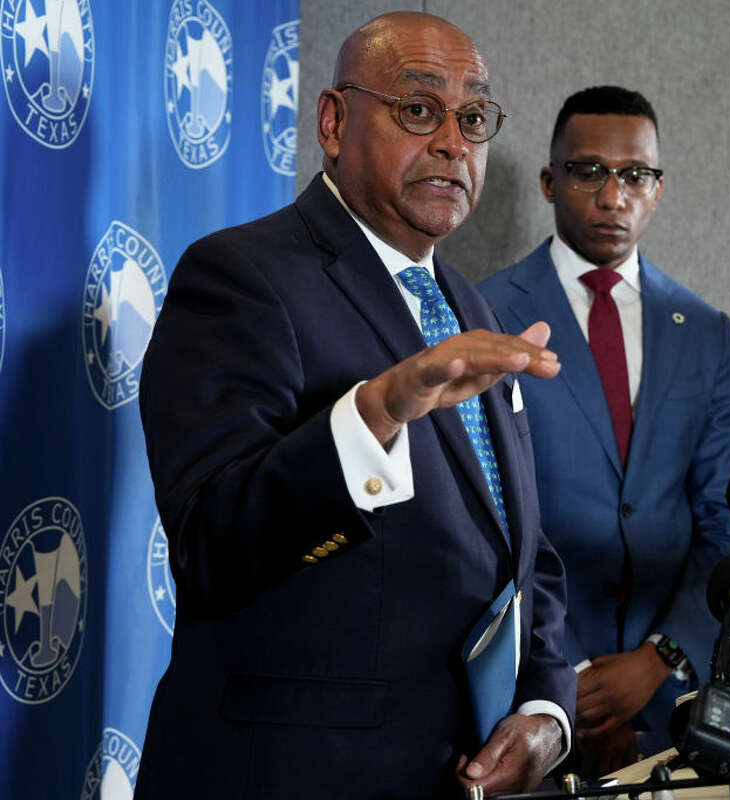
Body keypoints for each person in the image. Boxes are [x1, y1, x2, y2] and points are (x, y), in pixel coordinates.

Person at [134, 13, 575, 798]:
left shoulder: (476, 308)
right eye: (418, 109)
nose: (452, 141)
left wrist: (545, 706)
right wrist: (375, 412)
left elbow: (524, 553)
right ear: (334, 122)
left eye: (473, 117)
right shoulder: (241, 275)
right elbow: (210, 545)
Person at [478, 86, 730, 775]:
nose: (613, 196)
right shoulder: (485, 314)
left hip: (671, 703)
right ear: (550, 181)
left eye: (635, 175)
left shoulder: (706, 332)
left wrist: (659, 659)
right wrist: (564, 677)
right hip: (527, 699)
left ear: (657, 189)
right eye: (588, 172)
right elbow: (483, 521)